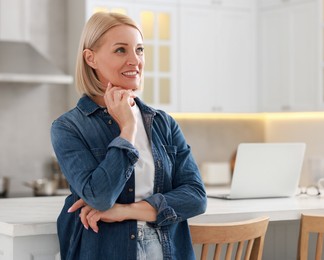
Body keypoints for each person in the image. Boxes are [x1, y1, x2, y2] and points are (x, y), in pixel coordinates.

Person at [51, 12, 207, 260]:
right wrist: (127, 129)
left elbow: (196, 198)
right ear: (90, 58)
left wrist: (125, 211)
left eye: (140, 50)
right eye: (121, 50)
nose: (135, 60)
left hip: (165, 250)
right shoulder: (69, 127)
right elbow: (100, 196)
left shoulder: (163, 123)